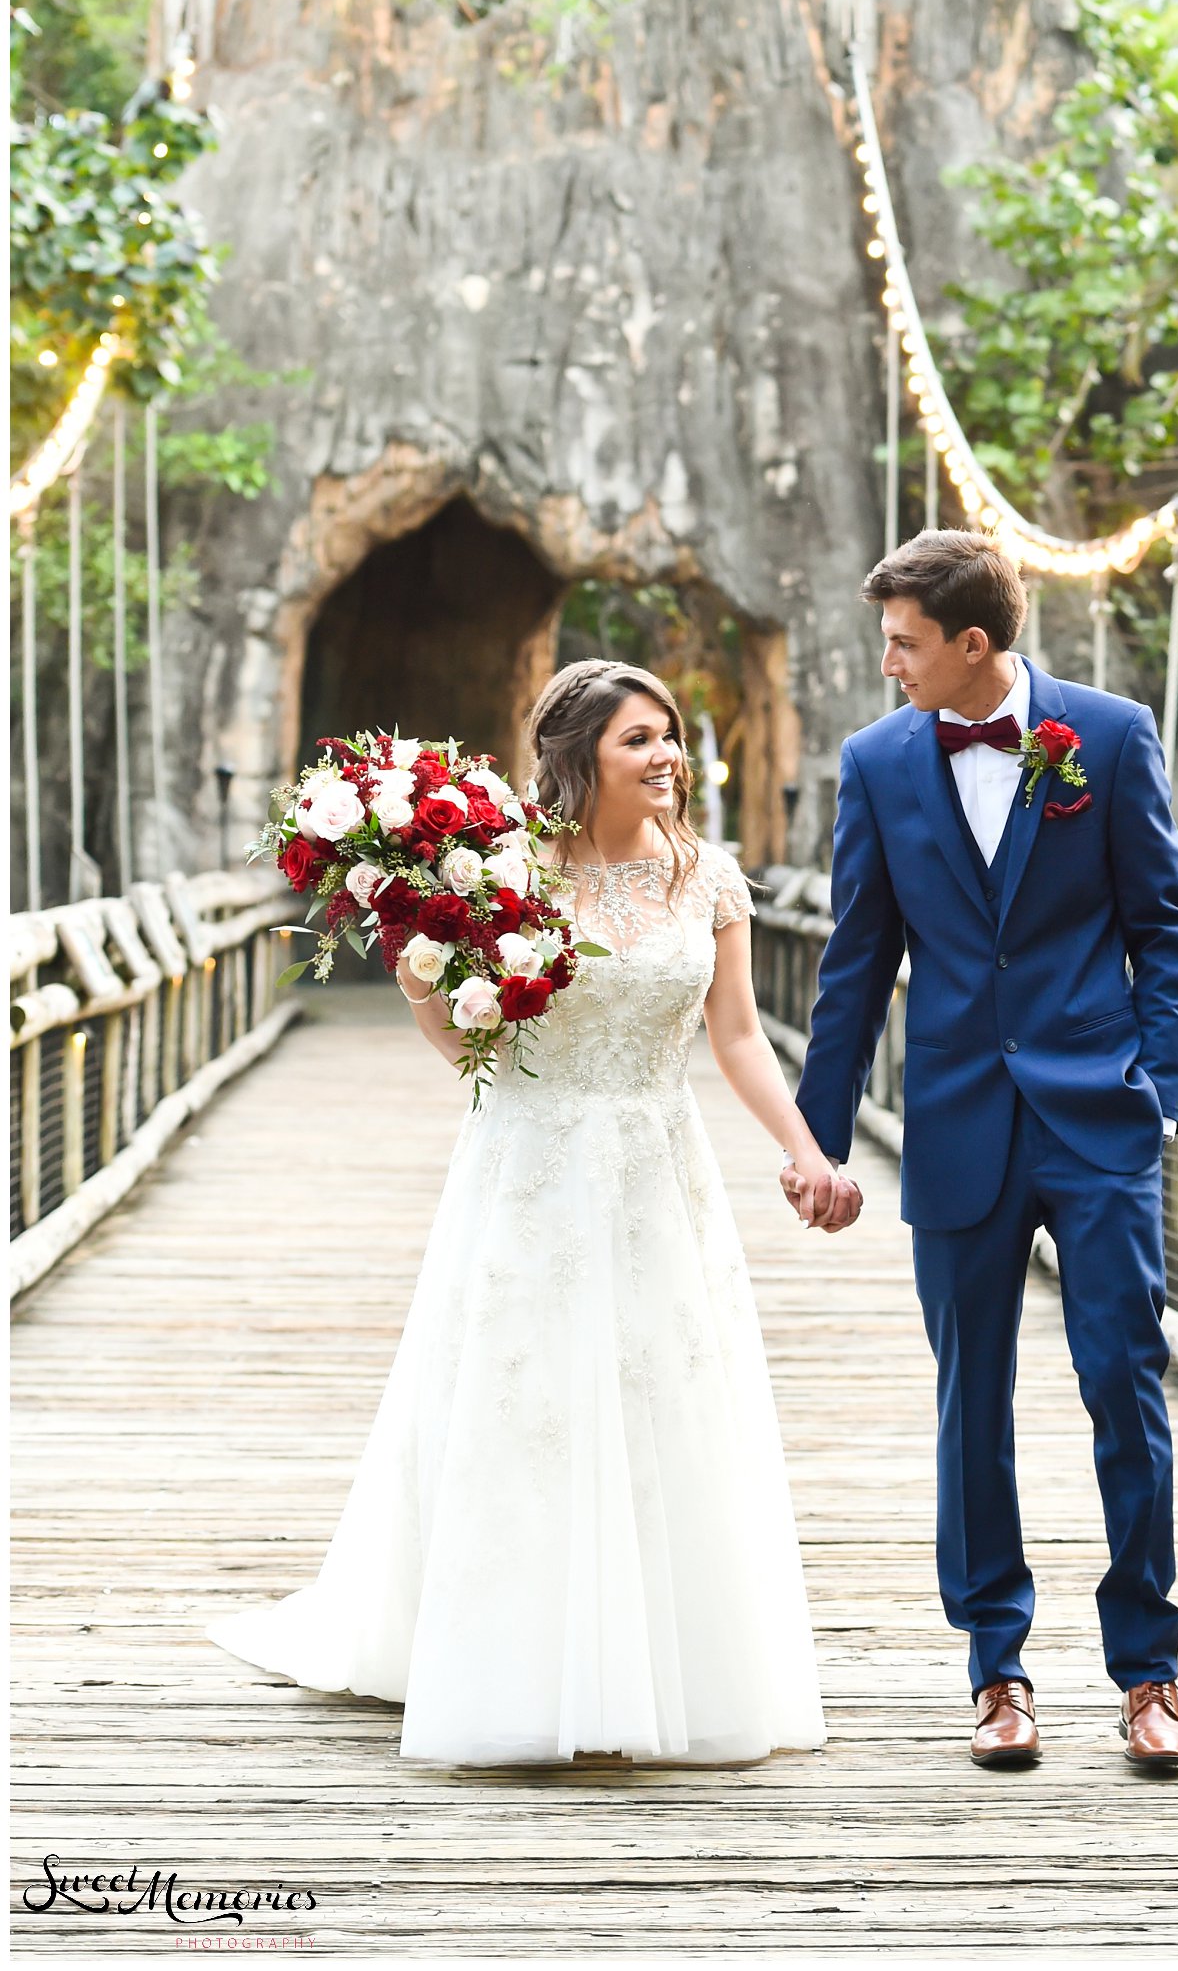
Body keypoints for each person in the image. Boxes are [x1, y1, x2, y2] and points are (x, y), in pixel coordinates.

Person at [208, 658, 856, 1766]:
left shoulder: (709, 878)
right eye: (637, 741)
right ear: (578, 760)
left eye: (668, 736)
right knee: (530, 1399)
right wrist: (414, 940)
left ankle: (660, 1665)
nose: (666, 758)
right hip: (530, 1164)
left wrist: (807, 1154)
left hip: (660, 1164)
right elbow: (468, 1044)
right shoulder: (503, 876)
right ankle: (504, 1658)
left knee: (660, 1401)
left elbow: (738, 1037)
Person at [794, 531, 1178, 1772]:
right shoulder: (876, 762)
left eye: (905, 641)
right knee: (972, 1401)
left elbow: (1167, 932)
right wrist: (817, 1139)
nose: (887, 660)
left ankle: (1149, 1675)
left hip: (1099, 1120)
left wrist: (1160, 1089)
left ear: (976, 644)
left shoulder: (1111, 735)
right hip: (960, 1122)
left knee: (1122, 1383)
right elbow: (856, 962)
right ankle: (997, 1672)